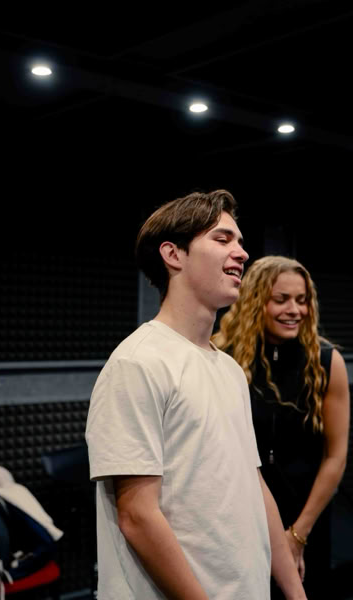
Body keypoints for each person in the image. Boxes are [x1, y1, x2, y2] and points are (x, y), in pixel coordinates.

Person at [86, 191, 307, 600]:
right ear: (173, 255)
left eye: (240, 242)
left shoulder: (228, 370)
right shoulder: (138, 363)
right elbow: (137, 515)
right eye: (222, 239)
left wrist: (295, 591)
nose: (242, 253)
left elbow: (254, 485)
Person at [212, 255, 350, 598]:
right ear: (256, 301)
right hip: (239, 520)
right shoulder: (221, 356)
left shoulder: (326, 361)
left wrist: (297, 536)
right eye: (281, 299)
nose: (295, 310)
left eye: (302, 300)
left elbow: (335, 457)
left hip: (307, 520)